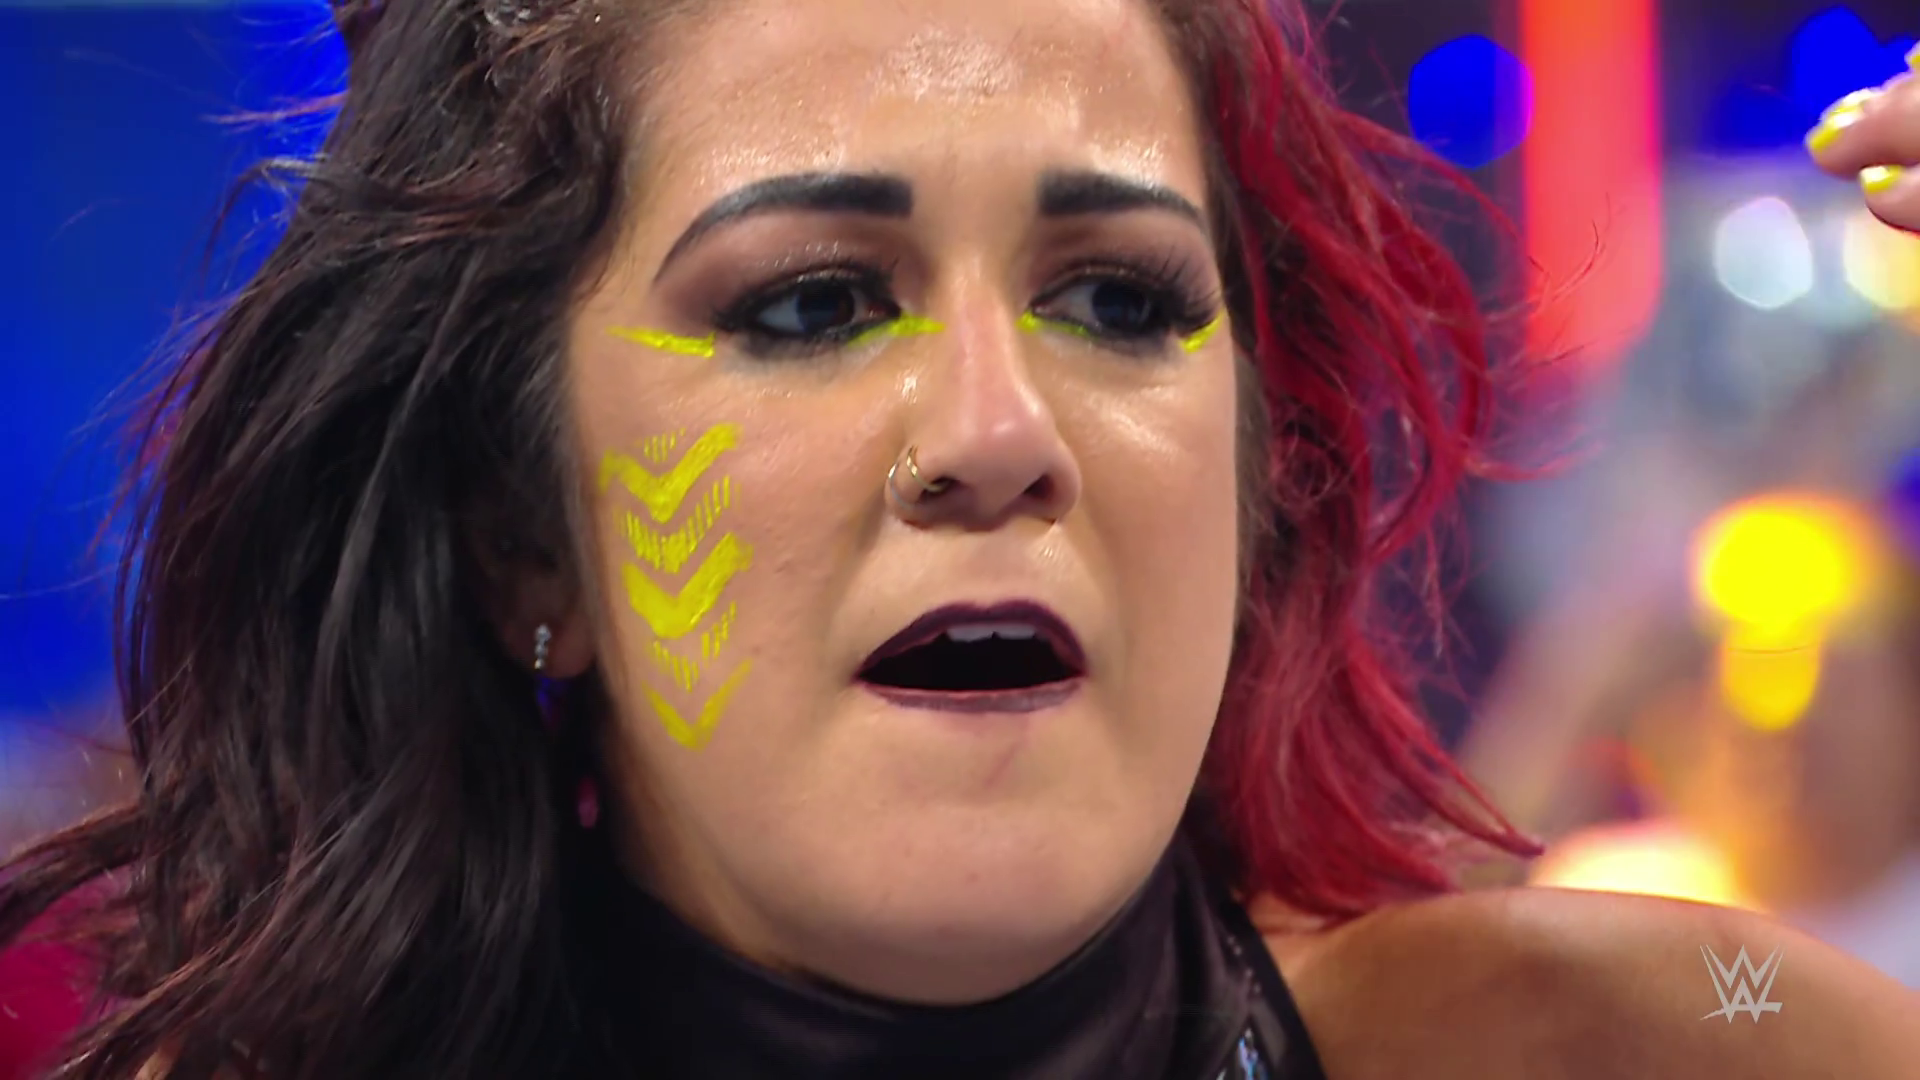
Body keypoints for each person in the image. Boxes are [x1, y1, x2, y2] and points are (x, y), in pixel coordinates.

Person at [1, 0, 1917, 1076]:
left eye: (1121, 300)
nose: (1000, 439)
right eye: (813, 303)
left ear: (1257, 480)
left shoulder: (1663, 1041)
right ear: (522, 535)